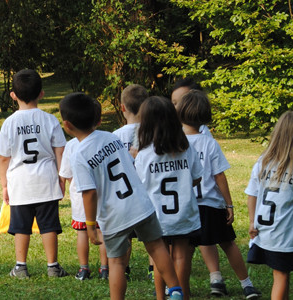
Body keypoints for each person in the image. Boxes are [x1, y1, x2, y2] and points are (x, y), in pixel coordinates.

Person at [60, 92, 184, 300]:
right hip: (140, 204)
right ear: (98, 119)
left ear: (67, 126)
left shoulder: (79, 155)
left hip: (113, 215)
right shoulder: (111, 137)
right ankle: (175, 289)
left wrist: (90, 225)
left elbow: (89, 193)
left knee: (116, 261)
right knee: (156, 245)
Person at [177, 90, 261, 299]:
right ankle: (247, 285)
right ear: (206, 117)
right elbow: (219, 176)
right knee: (227, 243)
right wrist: (229, 205)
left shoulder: (176, 144)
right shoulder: (209, 142)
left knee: (184, 252)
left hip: (187, 206)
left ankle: (179, 289)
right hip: (211, 205)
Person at [0, 69, 68, 279]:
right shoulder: (50, 120)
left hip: (20, 183)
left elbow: (3, 158)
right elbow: (60, 151)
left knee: (21, 227)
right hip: (46, 180)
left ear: (13, 95)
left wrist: (4, 185)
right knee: (49, 225)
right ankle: (53, 266)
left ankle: (20, 267)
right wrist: (62, 178)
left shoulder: (9, 123)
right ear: (41, 94)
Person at [134, 96, 202, 299]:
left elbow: (140, 186)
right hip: (184, 212)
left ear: (145, 123)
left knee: (159, 257)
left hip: (156, 215)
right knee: (181, 255)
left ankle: (160, 297)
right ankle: (182, 295)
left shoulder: (144, 155)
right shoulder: (186, 148)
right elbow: (196, 179)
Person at [245, 111, 293, 300]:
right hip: (284, 234)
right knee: (281, 275)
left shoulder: (262, 163)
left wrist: (252, 222)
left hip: (264, 230)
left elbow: (251, 194)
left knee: (282, 273)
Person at [60, 98, 109, 280]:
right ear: (99, 120)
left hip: (81, 198)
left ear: (69, 125)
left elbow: (66, 173)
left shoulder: (72, 146)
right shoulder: (105, 139)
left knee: (82, 233)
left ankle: (84, 269)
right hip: (104, 196)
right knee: (103, 231)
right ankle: (105, 269)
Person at [112, 84, 149, 280]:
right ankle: (154, 270)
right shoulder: (152, 132)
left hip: (124, 192)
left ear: (123, 107)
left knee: (125, 235)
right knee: (153, 236)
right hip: (147, 191)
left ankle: (123, 269)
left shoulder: (115, 135)